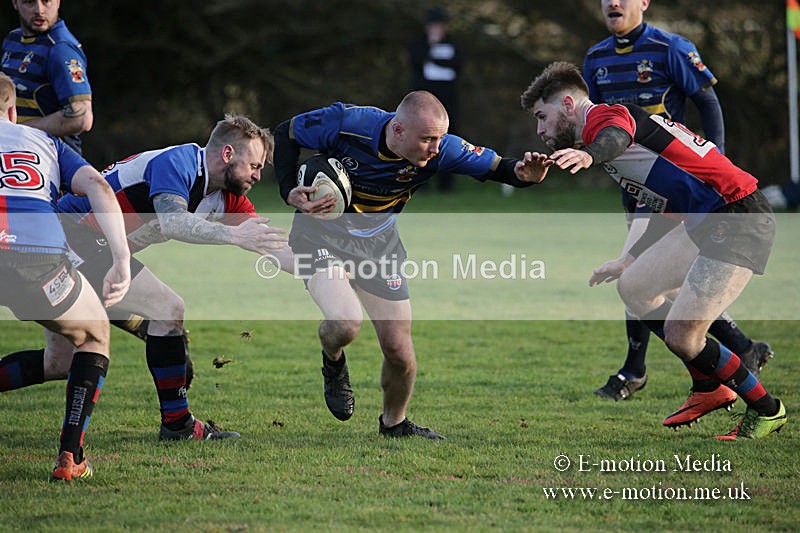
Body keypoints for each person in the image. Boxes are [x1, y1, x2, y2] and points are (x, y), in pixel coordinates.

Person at [520, 61, 787, 439]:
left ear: (567, 104)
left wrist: (590, 155)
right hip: (705, 220)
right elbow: (666, 204)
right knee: (634, 287)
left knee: (683, 337)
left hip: (737, 215)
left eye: (542, 117)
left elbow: (615, 135)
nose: (540, 130)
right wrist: (628, 259)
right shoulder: (609, 135)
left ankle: (767, 410)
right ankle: (707, 387)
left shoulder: (603, 119)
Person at [273, 91, 547, 439]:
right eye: (428, 139)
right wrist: (288, 190)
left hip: (379, 245)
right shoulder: (347, 123)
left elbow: (500, 168)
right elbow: (286, 132)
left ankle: (394, 423)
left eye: (440, 138)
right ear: (398, 129)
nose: (435, 148)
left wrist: (526, 175)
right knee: (345, 324)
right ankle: (333, 358)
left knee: (399, 351)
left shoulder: (442, 149)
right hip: (320, 235)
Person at [0, 114, 292, 441]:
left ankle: (162, 369)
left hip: (96, 250)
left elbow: (271, 244)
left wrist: (323, 270)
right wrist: (234, 236)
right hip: (73, 237)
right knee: (168, 309)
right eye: (254, 165)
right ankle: (178, 424)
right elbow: (173, 222)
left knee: (59, 363)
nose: (258, 174)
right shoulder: (178, 163)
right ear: (227, 154)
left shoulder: (226, 194)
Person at [583, 0, 772, 402]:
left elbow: (708, 102)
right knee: (656, 279)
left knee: (636, 277)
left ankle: (634, 371)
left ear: (644, 2)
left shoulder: (670, 47)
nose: (613, 2)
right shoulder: (595, 58)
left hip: (675, 180)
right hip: (636, 183)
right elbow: (598, 120)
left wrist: (715, 159)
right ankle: (742, 348)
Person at [0, 72, 131, 479]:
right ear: (12, 111)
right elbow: (99, 187)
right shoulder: (44, 141)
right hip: (34, 259)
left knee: (60, 359)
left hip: (28, 256)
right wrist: (121, 258)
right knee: (94, 335)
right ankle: (70, 458)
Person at [1, 0, 93, 154]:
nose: (39, 10)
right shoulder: (12, 39)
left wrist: (16, 131)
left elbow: (81, 118)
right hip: (16, 155)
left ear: (58, 2)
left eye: (46, 1)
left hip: (52, 161)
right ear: (15, 3)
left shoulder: (60, 49)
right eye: (30, 2)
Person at [408, 6, 463, 192]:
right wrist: (431, 47)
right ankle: (421, 182)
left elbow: (457, 64)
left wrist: (435, 59)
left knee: (447, 139)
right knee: (421, 138)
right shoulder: (419, 44)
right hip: (424, 101)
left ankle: (446, 183)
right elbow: (415, 61)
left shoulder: (453, 44)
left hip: (447, 101)